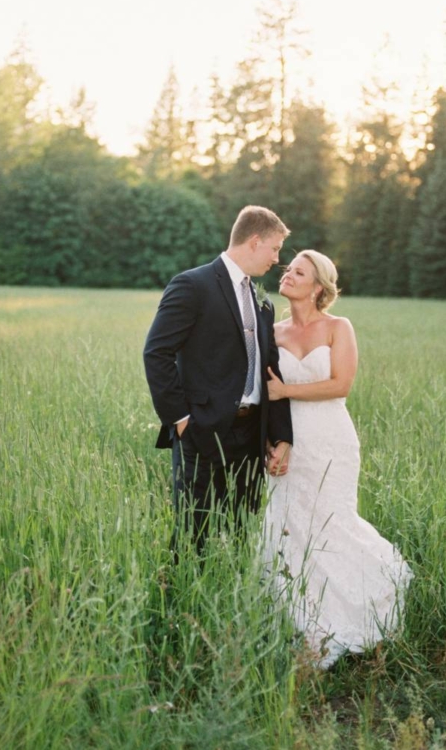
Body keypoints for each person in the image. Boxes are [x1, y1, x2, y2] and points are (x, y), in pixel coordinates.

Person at [262, 249, 412, 669]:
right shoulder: (272, 332)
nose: (288, 275)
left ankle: (369, 614)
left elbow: (341, 384)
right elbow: (265, 399)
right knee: (291, 530)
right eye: (288, 268)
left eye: (300, 272)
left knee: (333, 524)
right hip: (289, 445)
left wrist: (286, 392)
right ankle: (311, 630)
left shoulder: (338, 327)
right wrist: (270, 444)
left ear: (318, 287)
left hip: (330, 440)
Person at [144, 205, 294, 554]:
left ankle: (231, 597)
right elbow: (157, 353)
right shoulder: (192, 284)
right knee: (192, 533)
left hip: (251, 435)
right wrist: (181, 420)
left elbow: (271, 369)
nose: (276, 259)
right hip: (202, 430)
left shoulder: (263, 302)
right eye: (274, 249)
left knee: (244, 533)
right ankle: (181, 602)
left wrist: (280, 434)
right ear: (255, 241)